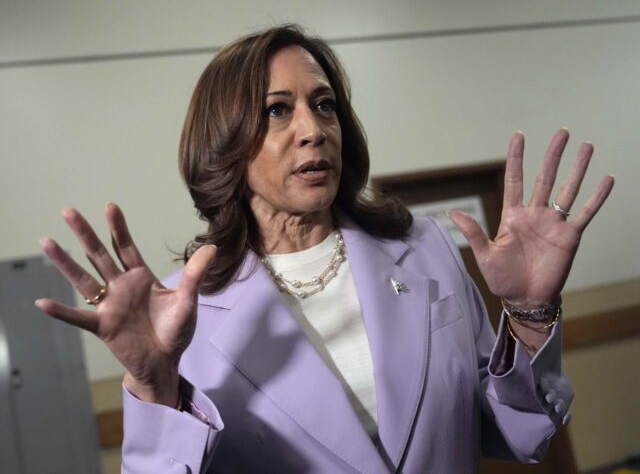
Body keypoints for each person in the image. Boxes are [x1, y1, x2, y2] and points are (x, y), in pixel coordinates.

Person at [36, 25, 614, 473]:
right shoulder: (181, 313)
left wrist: (531, 315)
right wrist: (152, 386)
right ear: (225, 144)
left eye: (325, 104)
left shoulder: (425, 248)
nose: (312, 129)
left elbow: (517, 431)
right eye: (277, 109)